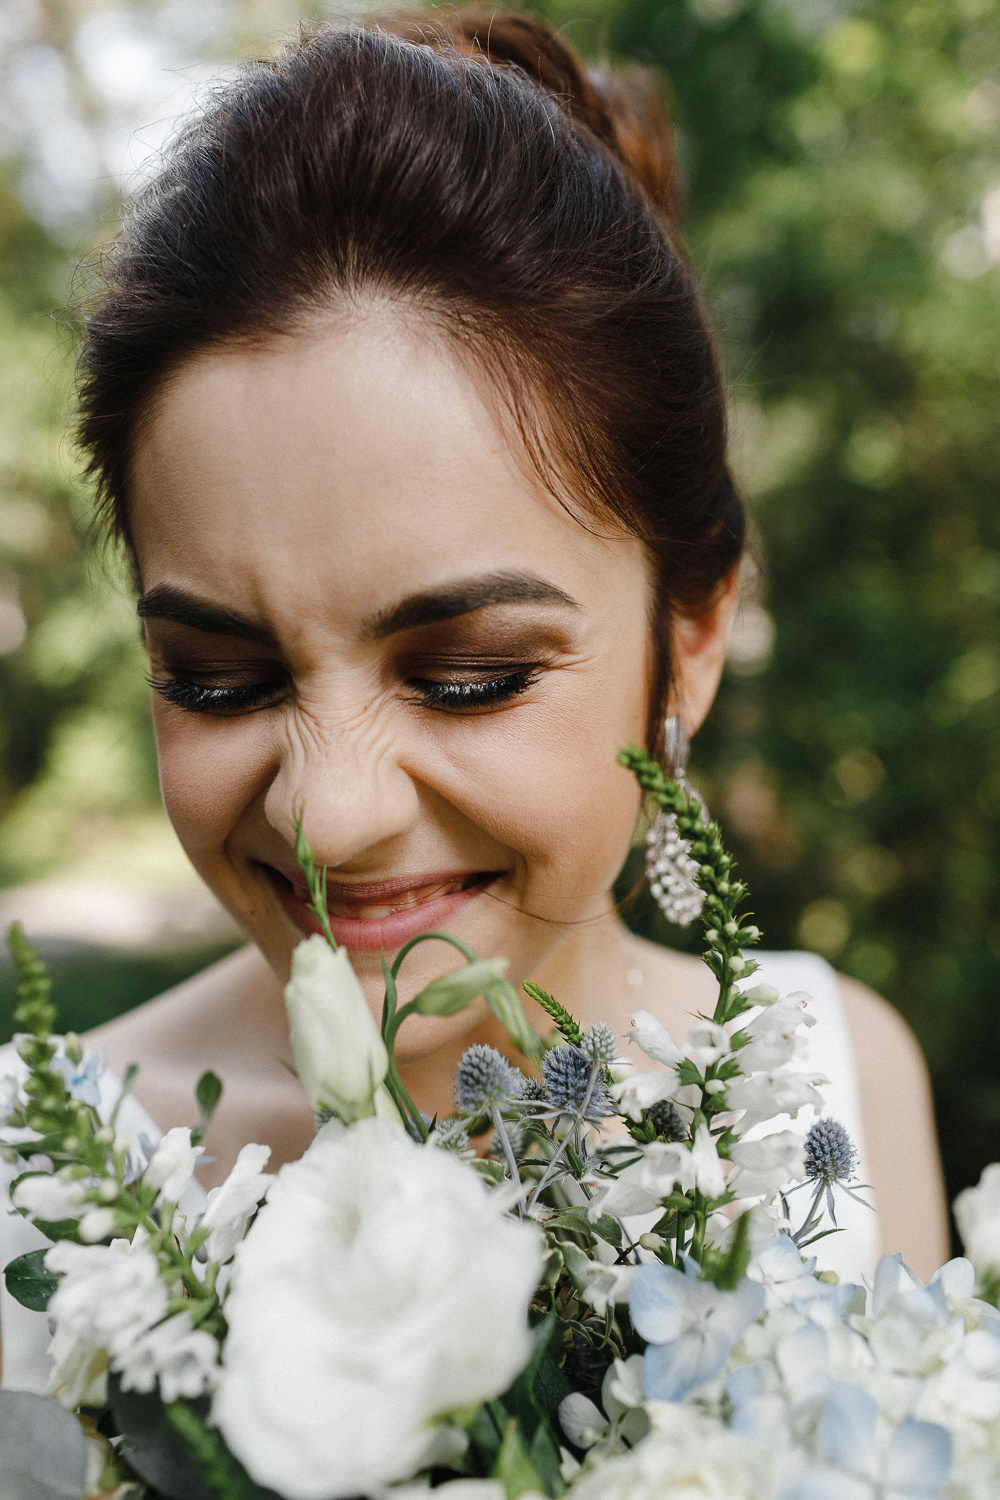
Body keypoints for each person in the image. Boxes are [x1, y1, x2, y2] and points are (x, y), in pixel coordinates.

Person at [0, 8, 947, 1387]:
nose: (326, 816)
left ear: (690, 638)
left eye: (468, 678)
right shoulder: (40, 1178)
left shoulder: (836, 1090)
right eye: (217, 679)